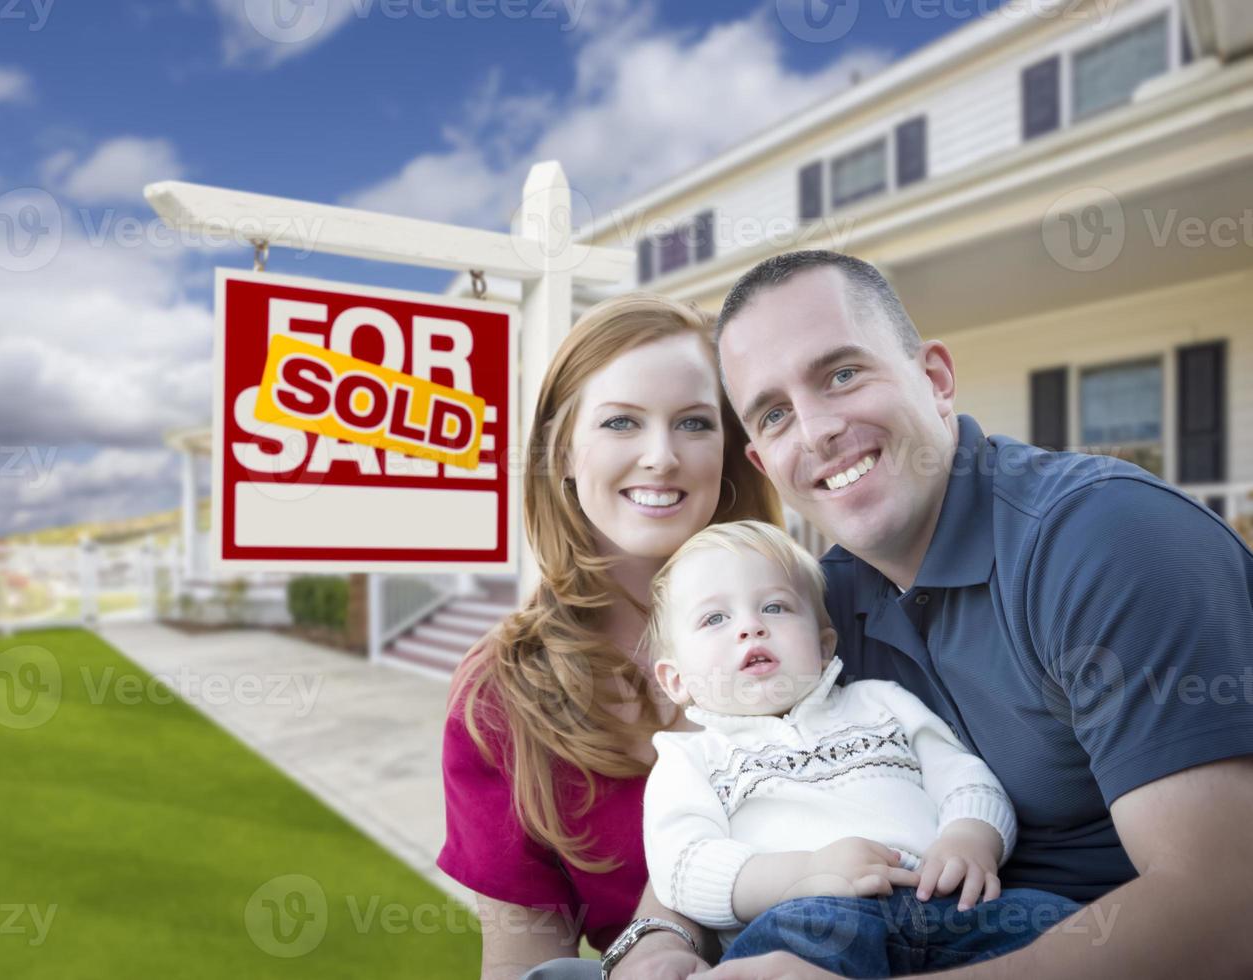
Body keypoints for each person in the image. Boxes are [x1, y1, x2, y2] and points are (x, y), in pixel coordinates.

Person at [687, 250, 1253, 978]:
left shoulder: (1104, 539)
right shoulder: (818, 611)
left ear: (934, 379)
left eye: (841, 374)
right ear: (764, 461)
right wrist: (659, 937)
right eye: (773, 414)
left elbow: (1225, 913)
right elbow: (715, 773)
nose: (816, 429)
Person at [437, 293, 782, 979]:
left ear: (729, 451)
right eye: (621, 422)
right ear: (560, 451)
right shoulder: (500, 697)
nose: (661, 456)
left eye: (692, 423)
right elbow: (524, 962)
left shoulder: (814, 617)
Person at [641, 519, 1080, 976]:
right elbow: (685, 866)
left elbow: (964, 776)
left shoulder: (881, 700)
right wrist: (807, 872)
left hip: (947, 900)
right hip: (811, 916)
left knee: (1058, 923)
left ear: (825, 645)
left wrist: (970, 838)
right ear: (675, 680)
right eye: (715, 618)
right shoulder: (689, 758)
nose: (751, 627)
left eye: (775, 607)